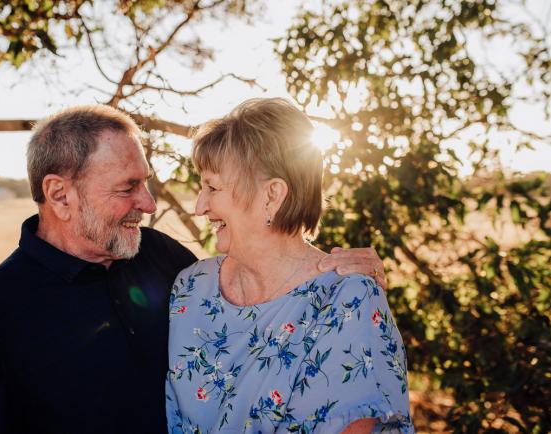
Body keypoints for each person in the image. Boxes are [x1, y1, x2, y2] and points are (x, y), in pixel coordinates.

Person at [0, 105, 387, 433]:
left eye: (147, 182)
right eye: (128, 187)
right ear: (59, 196)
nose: (149, 204)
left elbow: (263, 287)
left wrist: (349, 278)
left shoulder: (164, 261)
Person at [166, 98, 413, 433]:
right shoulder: (189, 288)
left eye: (213, 187)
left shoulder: (345, 301)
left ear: (272, 196)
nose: (199, 206)